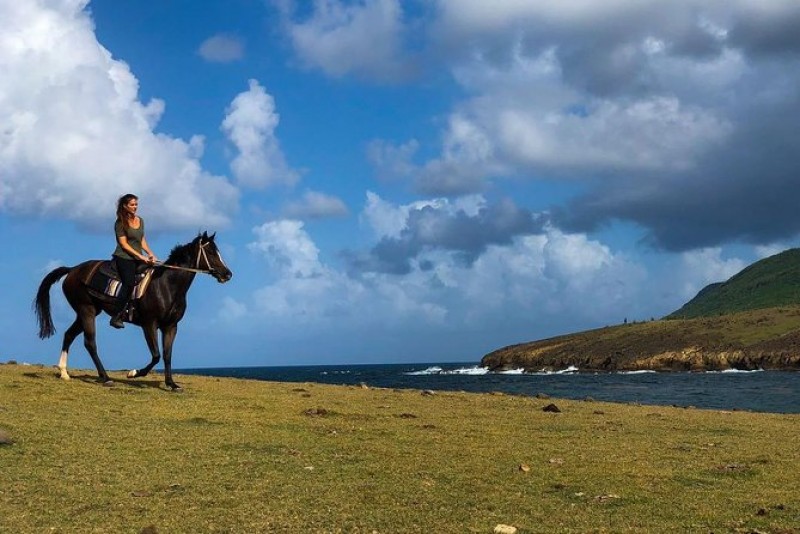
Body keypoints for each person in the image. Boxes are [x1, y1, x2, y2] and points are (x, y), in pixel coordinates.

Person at [110, 194, 157, 329]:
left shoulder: (140, 220)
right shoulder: (120, 223)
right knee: (129, 283)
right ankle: (116, 315)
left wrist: (150, 254)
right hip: (124, 257)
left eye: (136, 204)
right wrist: (140, 257)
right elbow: (124, 244)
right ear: (125, 206)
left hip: (138, 257)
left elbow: (141, 240)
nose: (135, 207)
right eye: (132, 205)